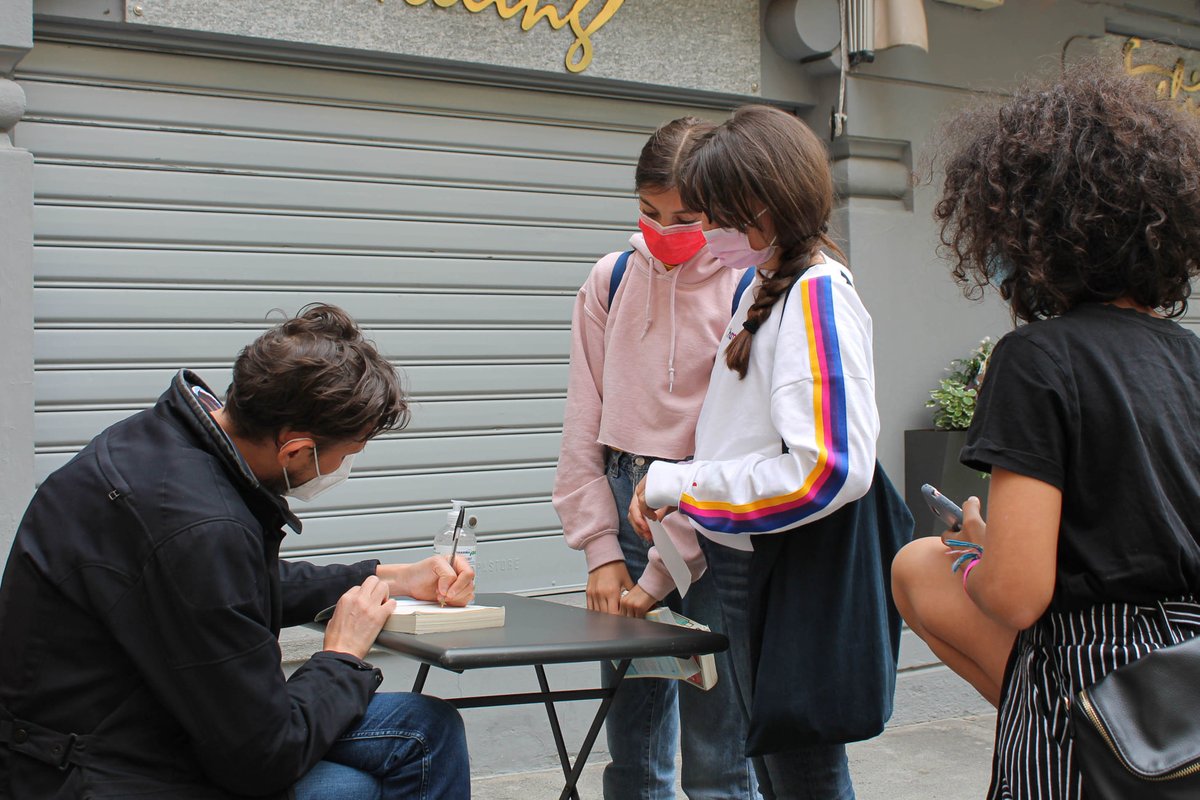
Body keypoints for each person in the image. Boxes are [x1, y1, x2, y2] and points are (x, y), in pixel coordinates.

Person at [0, 304, 475, 799]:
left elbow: (222, 587)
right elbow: (264, 758)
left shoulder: (164, 441)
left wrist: (387, 577)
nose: (342, 468)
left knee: (425, 728)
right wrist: (342, 656)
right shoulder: (200, 528)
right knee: (359, 782)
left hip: (126, 726)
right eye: (346, 455)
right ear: (295, 449)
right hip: (101, 769)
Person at [890, 66, 1200, 800]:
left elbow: (1017, 595)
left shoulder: (1036, 359)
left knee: (922, 563)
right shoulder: (1191, 355)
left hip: (1093, 673)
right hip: (1189, 672)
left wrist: (984, 552)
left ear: (1027, 231)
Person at [632, 105, 880, 800]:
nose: (707, 231)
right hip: (750, 561)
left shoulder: (817, 294)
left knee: (802, 775)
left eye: (717, 214)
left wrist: (680, 485)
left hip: (784, 567)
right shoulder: (764, 285)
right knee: (779, 769)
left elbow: (828, 469)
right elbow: (744, 435)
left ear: (766, 207)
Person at [552, 116, 759, 799]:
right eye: (649, 212)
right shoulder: (610, 279)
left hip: (713, 516)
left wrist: (665, 569)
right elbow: (583, 423)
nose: (664, 231)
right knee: (632, 749)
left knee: (719, 753)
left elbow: (737, 444)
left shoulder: (747, 286)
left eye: (686, 218)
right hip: (624, 503)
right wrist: (600, 551)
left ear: (723, 210)